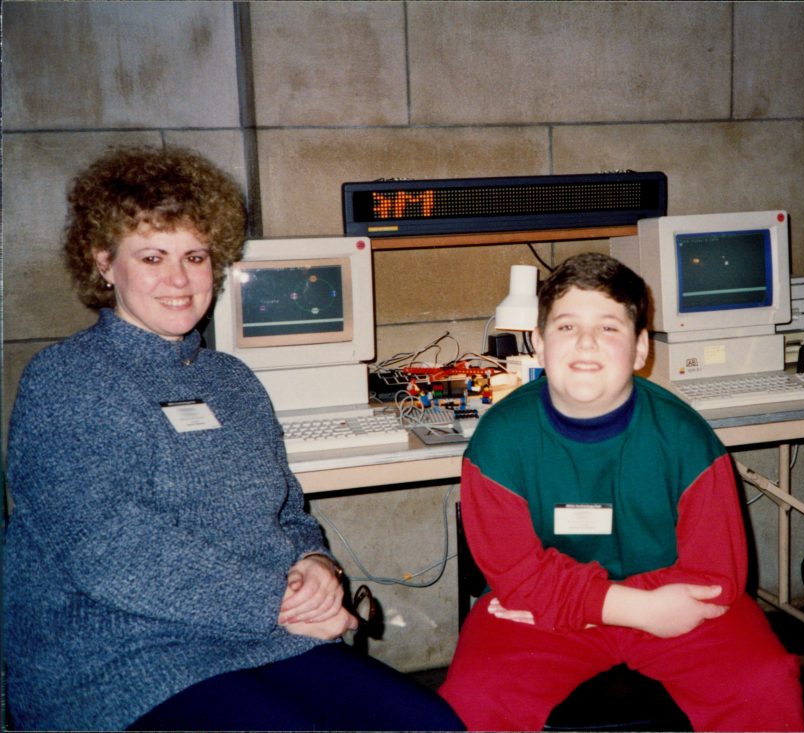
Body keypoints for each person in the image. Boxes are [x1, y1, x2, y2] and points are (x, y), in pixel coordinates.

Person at [2, 145, 464, 732]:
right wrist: (280, 602)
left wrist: (316, 563)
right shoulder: (69, 380)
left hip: (263, 638)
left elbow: (288, 511)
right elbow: (112, 550)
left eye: (194, 256)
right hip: (125, 660)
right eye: (152, 256)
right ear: (103, 264)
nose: (178, 279)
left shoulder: (231, 381)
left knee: (432, 724)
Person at [439, 252, 804, 731]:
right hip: (553, 612)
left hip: (670, 607)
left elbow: (716, 576)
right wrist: (631, 608)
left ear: (639, 349)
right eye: (567, 327)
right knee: (473, 696)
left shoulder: (688, 439)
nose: (586, 342)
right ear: (539, 343)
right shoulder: (498, 442)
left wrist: (608, 604)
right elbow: (516, 574)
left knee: (764, 682)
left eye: (609, 328)